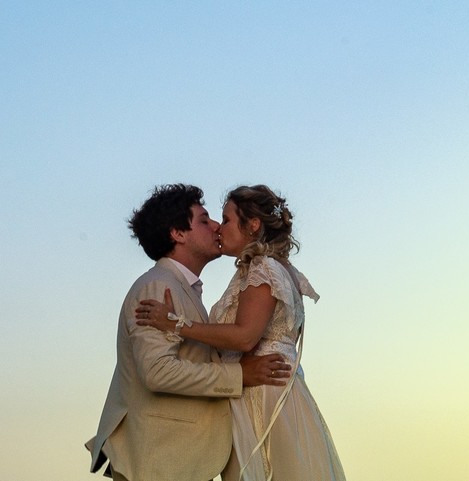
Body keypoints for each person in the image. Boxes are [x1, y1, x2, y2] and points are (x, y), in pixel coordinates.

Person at [137, 185, 345, 481]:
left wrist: (177, 325)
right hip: (267, 391)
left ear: (253, 225)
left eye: (226, 219)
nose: (219, 228)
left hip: (263, 395)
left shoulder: (263, 268)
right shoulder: (269, 268)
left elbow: (246, 336)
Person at [87, 183, 291, 481]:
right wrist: (239, 376)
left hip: (181, 461)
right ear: (178, 233)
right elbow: (157, 371)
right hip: (160, 460)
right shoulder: (157, 286)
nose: (216, 227)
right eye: (204, 220)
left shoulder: (184, 290)